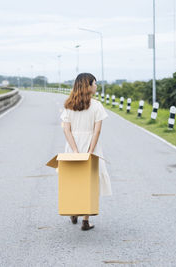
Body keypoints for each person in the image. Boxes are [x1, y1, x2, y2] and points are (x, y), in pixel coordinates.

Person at [60, 72, 112, 231]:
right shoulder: (96, 106)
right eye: (94, 83)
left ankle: (74, 211)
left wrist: (75, 150)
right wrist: (90, 150)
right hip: (91, 146)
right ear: (88, 86)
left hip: (73, 146)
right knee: (91, 182)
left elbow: (66, 130)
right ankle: (85, 220)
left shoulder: (69, 105)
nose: (96, 86)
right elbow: (97, 131)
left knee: (74, 181)